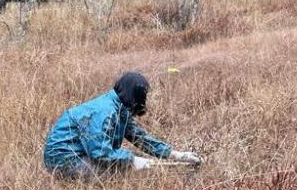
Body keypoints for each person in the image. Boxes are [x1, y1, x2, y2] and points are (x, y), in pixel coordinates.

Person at [43, 71, 201, 180]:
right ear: (135, 96)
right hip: (63, 161)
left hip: (78, 155)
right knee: (118, 172)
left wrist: (175, 154)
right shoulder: (105, 111)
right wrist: (131, 160)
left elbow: (140, 138)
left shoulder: (120, 109)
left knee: (122, 162)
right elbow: (99, 152)